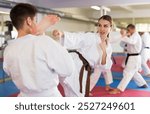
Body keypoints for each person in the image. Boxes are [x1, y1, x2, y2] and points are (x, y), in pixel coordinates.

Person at [3, 3, 76, 97]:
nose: (35, 23)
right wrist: (43, 35)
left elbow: (10, 71)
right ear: (29, 21)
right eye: (35, 20)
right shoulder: (44, 42)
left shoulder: (8, 50)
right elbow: (68, 69)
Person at [52, 15, 114, 96]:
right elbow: (78, 38)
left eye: (105, 26)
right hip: (74, 64)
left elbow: (104, 66)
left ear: (111, 28)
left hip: (83, 69)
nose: (102, 29)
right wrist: (62, 34)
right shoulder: (91, 37)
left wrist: (104, 52)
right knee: (78, 94)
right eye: (99, 25)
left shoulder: (108, 47)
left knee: (73, 94)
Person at [109, 24, 148, 94]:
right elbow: (121, 44)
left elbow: (132, 42)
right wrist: (125, 35)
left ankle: (119, 89)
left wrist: (124, 35)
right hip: (132, 57)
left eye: (129, 30)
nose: (128, 31)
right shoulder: (131, 36)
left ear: (133, 29)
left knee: (127, 72)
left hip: (134, 57)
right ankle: (142, 83)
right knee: (134, 72)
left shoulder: (136, 36)